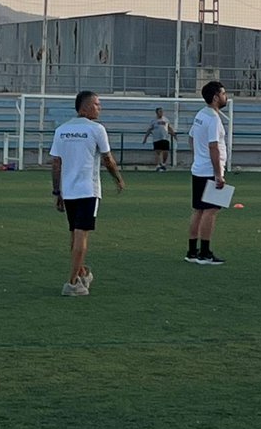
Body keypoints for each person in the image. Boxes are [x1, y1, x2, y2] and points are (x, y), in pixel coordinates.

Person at [50, 89, 125, 296]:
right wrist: (118, 178)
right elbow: (107, 159)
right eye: (96, 104)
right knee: (81, 236)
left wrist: (57, 191)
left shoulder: (62, 130)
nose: (99, 108)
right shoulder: (96, 129)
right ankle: (72, 283)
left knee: (74, 235)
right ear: (84, 107)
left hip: (69, 191)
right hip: (87, 190)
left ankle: (83, 274)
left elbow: (56, 163)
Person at [184, 80, 228, 265]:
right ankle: (205, 252)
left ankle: (192, 251)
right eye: (224, 93)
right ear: (216, 97)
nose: (226, 97)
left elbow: (191, 137)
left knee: (199, 210)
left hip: (199, 169)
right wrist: (219, 174)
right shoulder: (213, 119)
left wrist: (198, 158)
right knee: (211, 211)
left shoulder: (200, 114)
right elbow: (213, 146)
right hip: (210, 170)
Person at [142, 106, 176, 170]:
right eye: (160, 111)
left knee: (166, 151)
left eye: (162, 111)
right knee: (157, 152)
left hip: (165, 138)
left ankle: (163, 164)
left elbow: (169, 127)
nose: (161, 113)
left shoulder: (166, 119)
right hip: (156, 138)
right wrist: (145, 138)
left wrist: (174, 135)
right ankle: (158, 165)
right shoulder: (153, 121)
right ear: (157, 112)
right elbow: (149, 130)